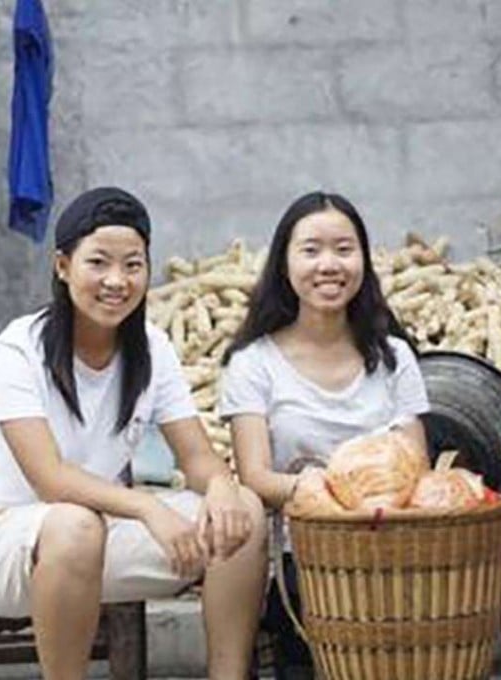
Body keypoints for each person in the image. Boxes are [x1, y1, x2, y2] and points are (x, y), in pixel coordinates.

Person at [0, 187, 268, 680]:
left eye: (133, 265)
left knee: (243, 512)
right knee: (75, 526)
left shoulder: (152, 349)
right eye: (98, 263)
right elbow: (51, 479)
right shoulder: (15, 350)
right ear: (63, 266)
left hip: (101, 538)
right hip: (2, 549)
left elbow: (196, 458)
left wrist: (223, 487)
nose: (117, 281)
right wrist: (148, 507)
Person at [218, 191, 431, 678]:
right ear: (285, 263)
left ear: (363, 260)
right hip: (306, 557)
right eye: (311, 250)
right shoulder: (253, 363)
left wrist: (372, 503)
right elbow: (255, 477)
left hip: (391, 548)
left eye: (344, 249)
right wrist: (333, 493)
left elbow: (414, 464)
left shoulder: (394, 356)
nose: (329, 265)